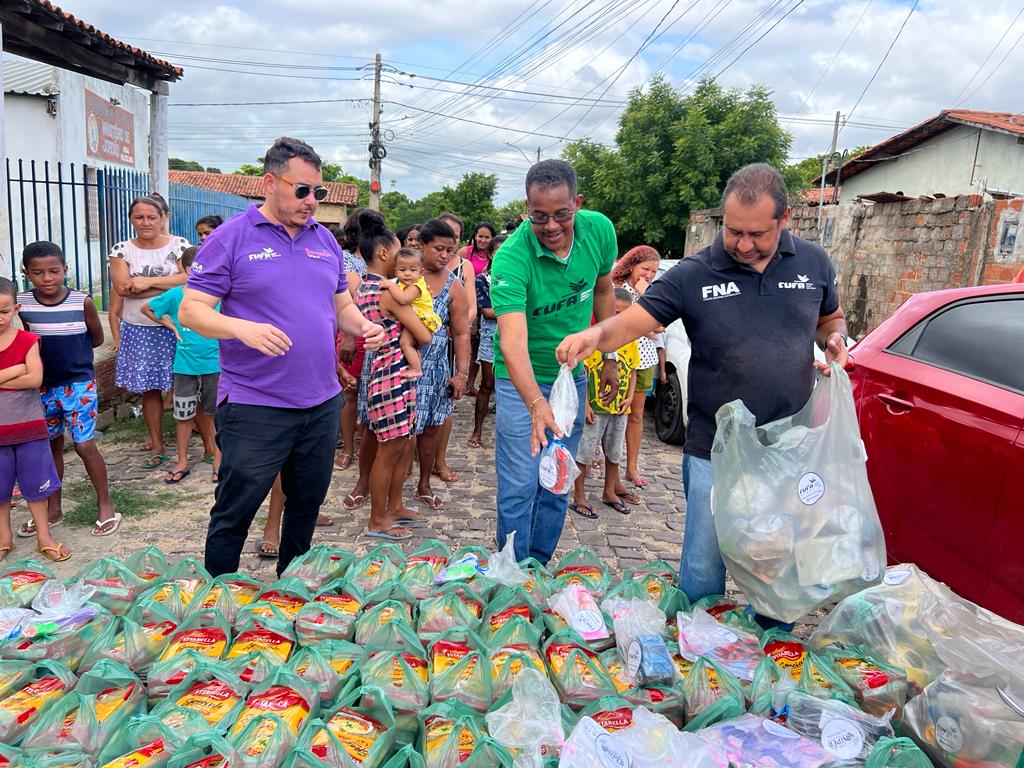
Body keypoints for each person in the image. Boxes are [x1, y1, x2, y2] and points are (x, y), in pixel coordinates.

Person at [556, 163, 850, 605]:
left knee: (778, 561)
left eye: (757, 234)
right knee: (702, 563)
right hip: (714, 447)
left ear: (784, 219)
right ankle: (699, 651)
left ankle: (773, 646)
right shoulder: (695, 273)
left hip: (789, 446)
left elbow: (829, 318)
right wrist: (593, 336)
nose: (743, 245)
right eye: (733, 232)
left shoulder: (813, 263)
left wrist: (835, 340)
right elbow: (632, 323)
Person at [179, 136, 384, 577]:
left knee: (305, 506)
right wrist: (241, 328)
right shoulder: (230, 238)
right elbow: (191, 310)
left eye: (319, 192)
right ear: (270, 182)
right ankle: (220, 597)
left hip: (321, 402)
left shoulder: (324, 242)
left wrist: (361, 325)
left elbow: (340, 305)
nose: (312, 202)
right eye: (302, 190)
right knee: (237, 508)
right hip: (256, 403)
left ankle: (290, 589)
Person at [490, 159, 617, 564]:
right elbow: (512, 342)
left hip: (570, 381)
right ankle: (510, 573)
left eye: (561, 214)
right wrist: (536, 404)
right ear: (526, 208)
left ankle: (538, 567)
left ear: (577, 203)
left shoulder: (599, 231)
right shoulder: (511, 257)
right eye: (539, 216)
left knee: (557, 481)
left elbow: (603, 290)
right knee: (519, 486)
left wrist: (609, 355)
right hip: (518, 386)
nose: (550, 226)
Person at [17, 242, 118, 537]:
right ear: (26, 273)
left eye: (54, 271)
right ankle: (53, 508)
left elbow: (96, 339)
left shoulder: (81, 301)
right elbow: (27, 342)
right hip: (42, 388)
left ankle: (105, 504)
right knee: (51, 445)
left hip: (78, 385)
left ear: (65, 270)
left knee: (85, 444)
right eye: (38, 273)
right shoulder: (24, 304)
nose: (47, 278)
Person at [355, 212, 433, 540]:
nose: (404, 261)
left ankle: (396, 507)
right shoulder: (388, 292)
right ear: (385, 253)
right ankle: (377, 520)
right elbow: (424, 336)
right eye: (400, 252)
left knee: (403, 445)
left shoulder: (365, 287)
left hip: (391, 374)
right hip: (392, 377)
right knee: (389, 450)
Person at [109, 196, 190, 468]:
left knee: (189, 384)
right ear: (131, 219)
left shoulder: (180, 246)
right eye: (139, 217)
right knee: (150, 390)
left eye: (151, 217)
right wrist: (169, 287)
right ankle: (157, 442)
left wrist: (146, 283)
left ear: (163, 217)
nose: (145, 222)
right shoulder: (121, 250)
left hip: (179, 327)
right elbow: (122, 288)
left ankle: (204, 442)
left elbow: (190, 278)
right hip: (139, 328)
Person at [0, 277, 70, 562]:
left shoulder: (28, 340)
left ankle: (44, 537)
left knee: (36, 486)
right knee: (0, 489)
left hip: (30, 430)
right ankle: (4, 538)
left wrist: (19, 371)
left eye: (4, 311)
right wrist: (15, 370)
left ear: (16, 308)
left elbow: (35, 378)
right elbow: (25, 375)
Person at [141, 246, 221, 485]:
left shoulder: (220, 295)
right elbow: (147, 308)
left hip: (216, 366)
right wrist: (170, 325)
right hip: (184, 367)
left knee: (216, 415)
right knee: (183, 415)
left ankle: (219, 461)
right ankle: (182, 461)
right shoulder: (176, 295)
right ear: (189, 270)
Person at [412, 219, 471, 511]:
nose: (445, 255)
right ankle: (382, 487)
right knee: (397, 433)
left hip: (435, 369)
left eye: (450, 250)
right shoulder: (404, 274)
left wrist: (461, 373)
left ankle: (424, 483)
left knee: (431, 430)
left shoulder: (454, 284)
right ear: (420, 245)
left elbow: (461, 333)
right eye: (438, 248)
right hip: (402, 368)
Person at [570, 288, 639, 519]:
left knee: (615, 452)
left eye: (623, 315)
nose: (618, 319)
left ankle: (610, 491)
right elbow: (585, 373)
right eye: (615, 313)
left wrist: (629, 397)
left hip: (620, 407)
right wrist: (586, 404)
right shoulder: (594, 340)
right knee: (585, 451)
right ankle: (579, 495)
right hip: (596, 408)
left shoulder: (630, 340)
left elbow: (632, 373)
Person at [611, 245, 663, 490]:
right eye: (646, 269)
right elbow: (618, 321)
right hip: (617, 356)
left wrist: (645, 296)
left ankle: (631, 466)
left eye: (654, 271)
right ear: (632, 265)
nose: (649, 275)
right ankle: (600, 458)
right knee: (608, 411)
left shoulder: (651, 292)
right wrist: (647, 327)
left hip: (644, 358)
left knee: (637, 414)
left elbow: (661, 326)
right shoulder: (616, 289)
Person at [432, 212, 475, 484]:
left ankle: (439, 460)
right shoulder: (414, 266)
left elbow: (469, 308)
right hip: (421, 345)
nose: (447, 248)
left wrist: (455, 321)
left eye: (455, 239)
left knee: (443, 405)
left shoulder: (463, 268)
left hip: (448, 341)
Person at [467, 233, 505, 449]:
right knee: (488, 384)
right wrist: (515, 309)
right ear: (491, 254)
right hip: (491, 335)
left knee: (509, 386)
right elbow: (487, 312)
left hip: (513, 335)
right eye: (498, 252)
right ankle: (477, 430)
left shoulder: (518, 277)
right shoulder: (482, 279)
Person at [380, 247, 441, 379]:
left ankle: (416, 368)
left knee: (405, 343)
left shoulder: (415, 287)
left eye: (413, 270)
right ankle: (416, 362)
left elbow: (403, 299)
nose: (407, 274)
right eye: (403, 270)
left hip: (422, 319)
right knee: (410, 344)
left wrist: (391, 286)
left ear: (421, 272)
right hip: (417, 317)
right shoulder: (404, 284)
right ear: (395, 271)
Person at [458, 222, 496, 396]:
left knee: (480, 347)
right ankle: (466, 381)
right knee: (470, 344)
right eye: (480, 236)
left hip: (486, 303)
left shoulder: (497, 255)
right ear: (474, 236)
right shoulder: (466, 252)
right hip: (469, 303)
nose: (483, 239)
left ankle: (473, 383)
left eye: (487, 237)